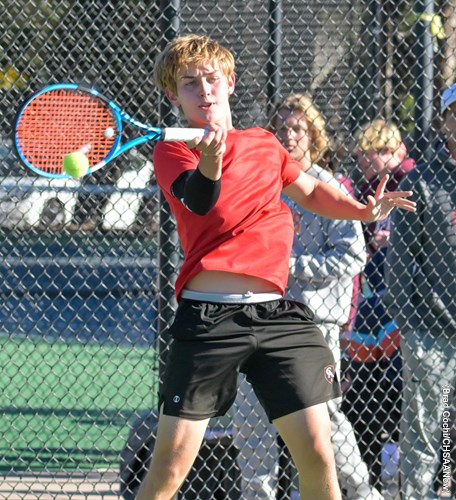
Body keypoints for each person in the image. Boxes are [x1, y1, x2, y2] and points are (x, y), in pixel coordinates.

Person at [135, 34, 415, 500]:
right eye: (189, 83)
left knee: (318, 455)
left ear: (229, 82)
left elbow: (309, 190)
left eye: (210, 78)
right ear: (172, 95)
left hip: (277, 314)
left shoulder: (264, 144)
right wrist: (211, 160)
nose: (203, 89)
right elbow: (202, 205)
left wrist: (362, 211)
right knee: (169, 467)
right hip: (209, 318)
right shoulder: (172, 153)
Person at [233, 94, 383, 500]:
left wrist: (291, 267)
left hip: (312, 325)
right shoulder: (259, 186)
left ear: (314, 136)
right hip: (257, 320)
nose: (288, 134)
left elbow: (352, 255)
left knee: (326, 422)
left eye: (297, 127)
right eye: (280, 126)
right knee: (250, 421)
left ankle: (364, 495)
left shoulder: (327, 186)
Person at [384, 85, 456, 499]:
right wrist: (411, 327)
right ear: (444, 122)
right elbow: (398, 264)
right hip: (433, 334)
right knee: (431, 435)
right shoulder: (422, 181)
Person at [342, 120, 416, 490]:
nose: (361, 158)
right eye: (361, 153)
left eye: (370, 151)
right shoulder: (358, 189)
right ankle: (366, 483)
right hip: (367, 320)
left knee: (412, 405)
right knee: (361, 402)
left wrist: (394, 240)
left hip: (402, 320)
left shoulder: (411, 180)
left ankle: (436, 484)